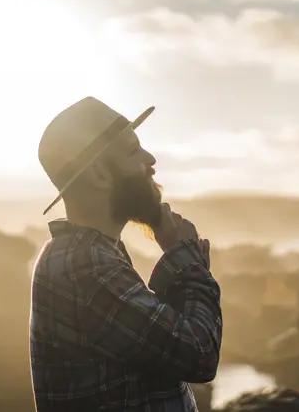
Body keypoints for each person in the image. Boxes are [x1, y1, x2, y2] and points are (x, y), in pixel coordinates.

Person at [30, 96, 222, 411]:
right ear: (98, 175)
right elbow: (199, 355)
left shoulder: (90, 254)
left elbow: (155, 341)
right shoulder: (86, 265)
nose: (150, 159)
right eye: (133, 150)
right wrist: (185, 260)